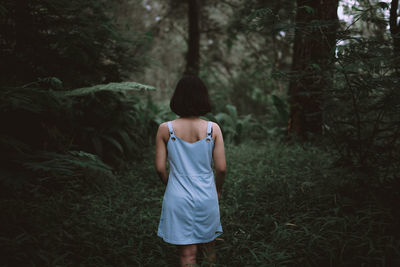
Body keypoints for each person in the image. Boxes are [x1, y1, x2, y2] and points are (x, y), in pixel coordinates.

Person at [155, 75, 227, 266]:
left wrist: (172, 184)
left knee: (187, 256)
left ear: (177, 98)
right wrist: (217, 190)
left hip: (177, 197)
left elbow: (160, 168)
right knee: (209, 250)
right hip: (207, 195)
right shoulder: (213, 129)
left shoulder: (165, 129)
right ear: (203, 98)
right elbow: (221, 168)